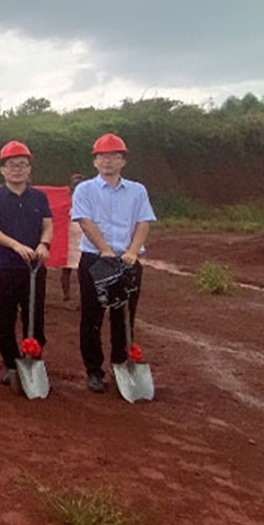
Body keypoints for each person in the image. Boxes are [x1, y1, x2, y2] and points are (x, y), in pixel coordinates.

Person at [72, 133, 157, 393]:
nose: (107, 161)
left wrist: (132, 251)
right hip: (95, 260)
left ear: (123, 161)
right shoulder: (84, 190)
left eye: (113, 156)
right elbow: (85, 221)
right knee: (92, 317)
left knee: (124, 317)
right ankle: (94, 371)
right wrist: (106, 250)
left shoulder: (137, 190)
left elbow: (144, 222)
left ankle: (120, 364)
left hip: (127, 261)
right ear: (95, 162)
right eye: (102, 157)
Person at [0, 141, 54, 389]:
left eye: (23, 165)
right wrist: (15, 245)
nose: (17, 170)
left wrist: (44, 244)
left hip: (34, 267)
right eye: (12, 165)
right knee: (6, 318)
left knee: (35, 316)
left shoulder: (39, 197)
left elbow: (48, 224)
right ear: (2, 170)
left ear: (29, 169)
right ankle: (11, 365)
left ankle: (34, 359)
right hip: (4, 267)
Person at [60, 173, 87, 303]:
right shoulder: (64, 201)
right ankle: (66, 296)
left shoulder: (89, 201)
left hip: (85, 237)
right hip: (69, 237)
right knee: (67, 269)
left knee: (83, 270)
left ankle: (84, 296)